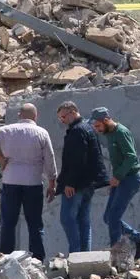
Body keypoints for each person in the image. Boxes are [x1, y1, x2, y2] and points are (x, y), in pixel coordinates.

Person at [0, 103, 57, 261]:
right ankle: (37, 259)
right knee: (35, 224)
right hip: (33, 182)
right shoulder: (41, 132)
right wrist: (52, 181)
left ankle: (5, 258)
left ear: (19, 115)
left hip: (11, 181)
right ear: (36, 116)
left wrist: (1, 159)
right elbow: (49, 158)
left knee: (9, 223)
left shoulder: (6, 130)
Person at [89, 107, 140, 261]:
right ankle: (139, 239)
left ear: (106, 120)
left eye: (98, 126)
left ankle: (116, 253)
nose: (97, 130)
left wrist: (118, 176)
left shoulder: (121, 133)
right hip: (120, 180)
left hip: (129, 179)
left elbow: (131, 157)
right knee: (108, 217)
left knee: (114, 217)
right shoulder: (110, 134)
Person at [54, 101, 109, 254]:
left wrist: (70, 183)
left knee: (67, 218)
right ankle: (85, 255)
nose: (63, 121)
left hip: (77, 185)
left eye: (64, 116)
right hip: (88, 184)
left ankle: (76, 254)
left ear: (72, 111)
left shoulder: (77, 131)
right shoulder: (87, 128)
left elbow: (77, 159)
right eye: (60, 118)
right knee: (83, 220)